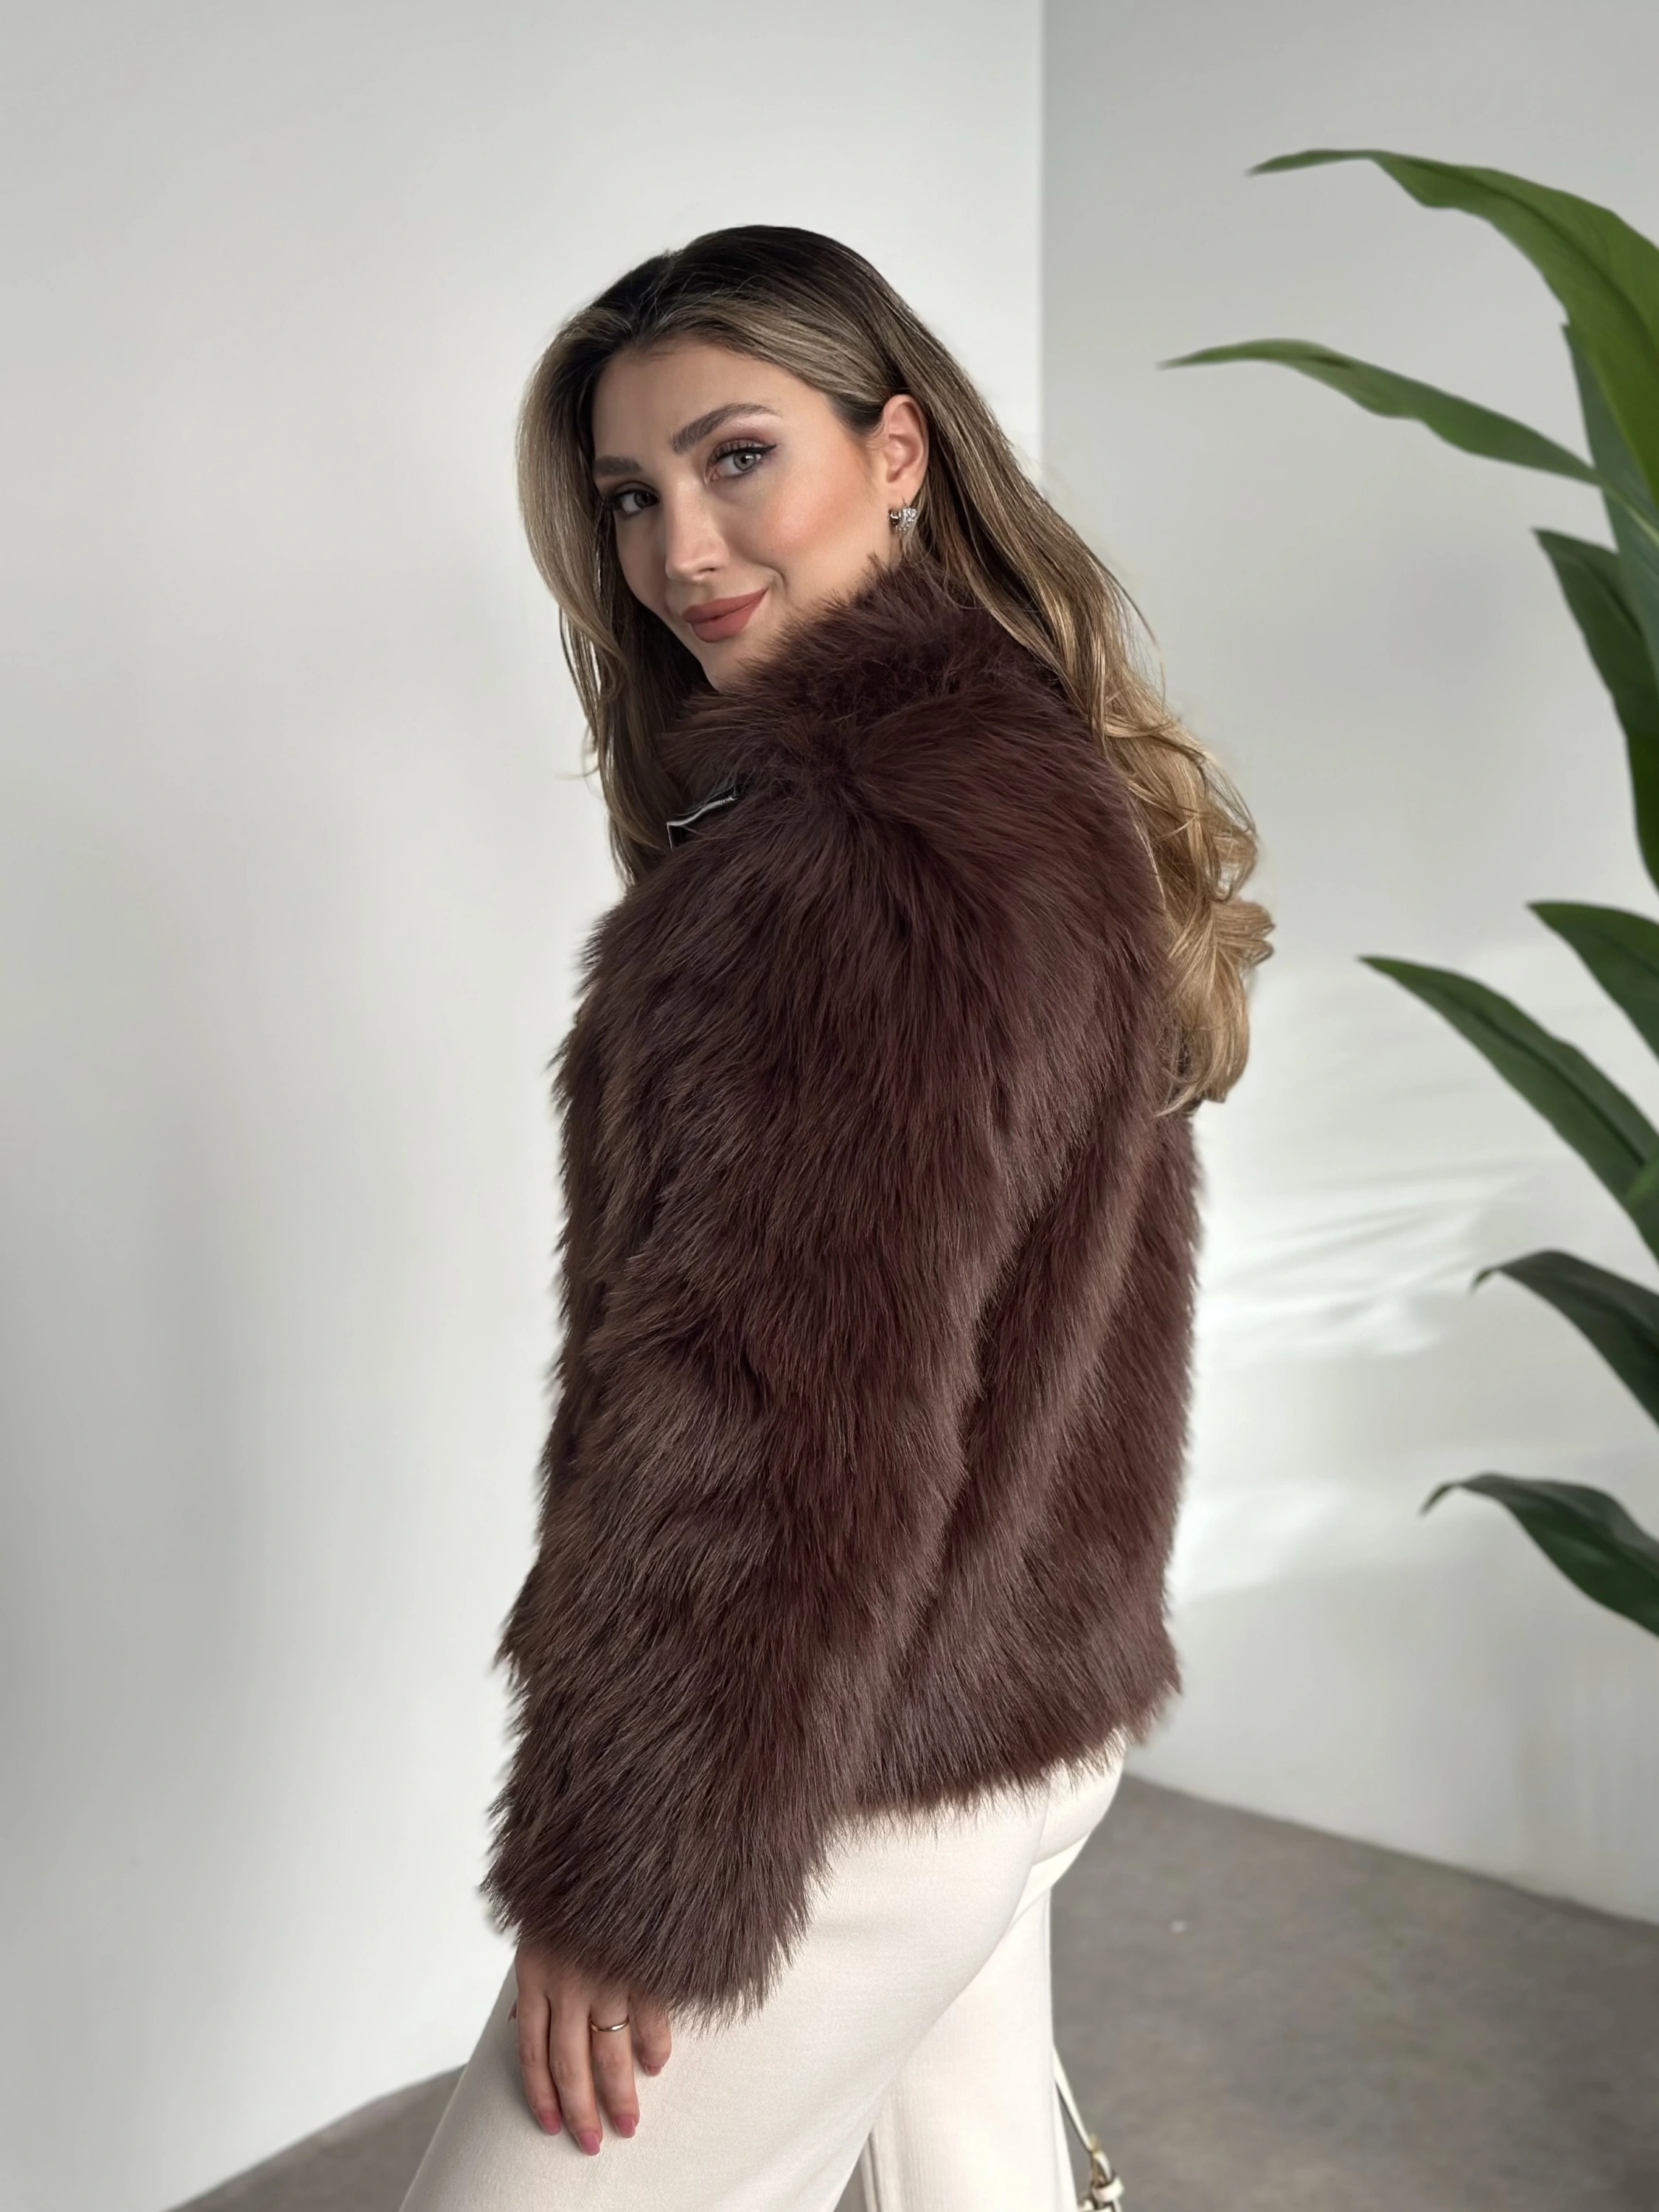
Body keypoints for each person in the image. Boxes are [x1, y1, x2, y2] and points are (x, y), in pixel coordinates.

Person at [399, 224, 1272, 2212]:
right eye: (632, 495)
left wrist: (633, 1879)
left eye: (736, 458)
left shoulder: (844, 853)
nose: (679, 548)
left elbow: (768, 1418)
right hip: (1017, 1710)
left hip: (838, 1788)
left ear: (896, 452)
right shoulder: (1027, 768)